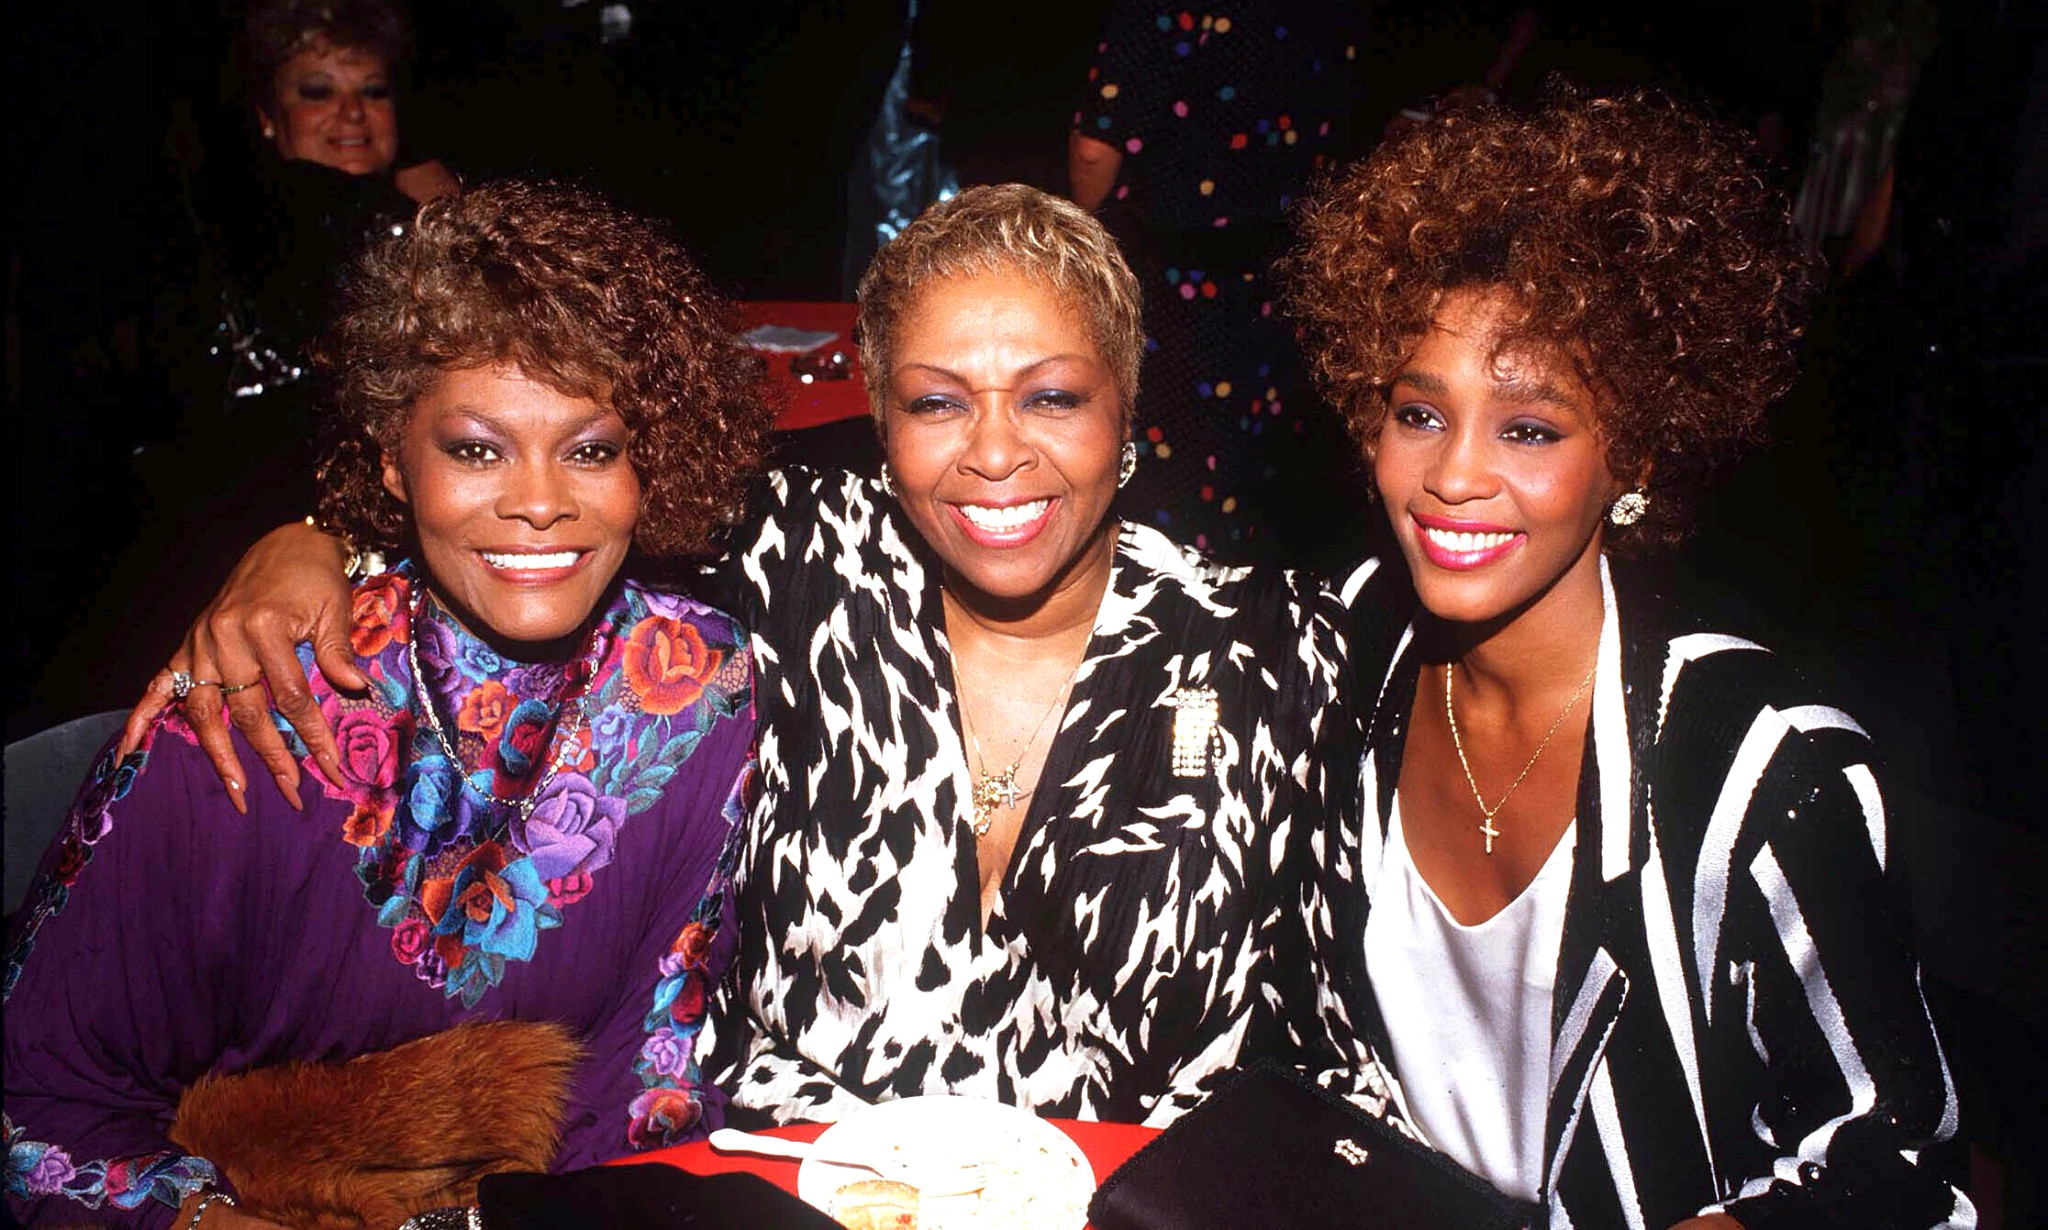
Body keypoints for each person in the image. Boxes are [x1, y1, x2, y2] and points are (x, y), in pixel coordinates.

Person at [110, 184, 1350, 1130]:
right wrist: (311, 538)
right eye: (933, 402)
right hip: (774, 1189)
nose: (991, 453)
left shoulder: (1275, 654)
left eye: (1051, 397)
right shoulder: (792, 559)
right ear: (874, 416)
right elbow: (534, 467)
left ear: (1127, 409)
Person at [4, 180, 771, 1228]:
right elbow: (35, 1110)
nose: (540, 499)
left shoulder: (697, 688)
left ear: (653, 465)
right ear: (390, 464)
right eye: (475, 447)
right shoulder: (246, 705)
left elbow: (647, 1080)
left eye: (591, 449)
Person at [1280, 91, 1971, 1227]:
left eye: (1528, 429)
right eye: (1417, 414)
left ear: (1633, 449)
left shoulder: (1759, 769)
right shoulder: (1343, 649)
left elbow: (1893, 1177)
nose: (1453, 476)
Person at [1069, 0, 1361, 567]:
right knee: (1259, 486)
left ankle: (1170, 632)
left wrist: (1084, 220)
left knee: (1157, 491)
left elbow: (1093, 151)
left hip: (1170, 285)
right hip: (1288, 279)